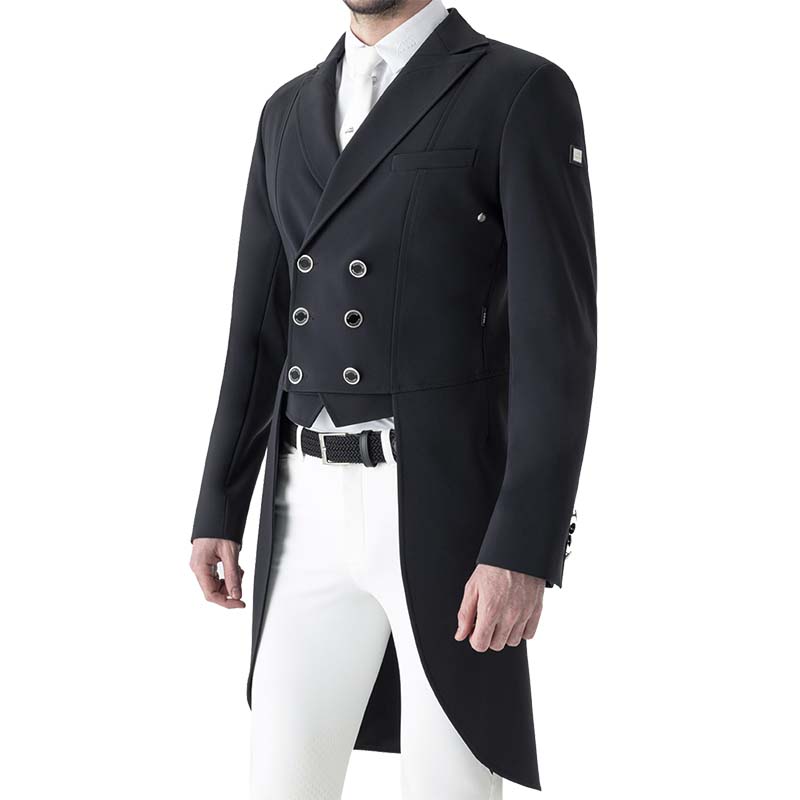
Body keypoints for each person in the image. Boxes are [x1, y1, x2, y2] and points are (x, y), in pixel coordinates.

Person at [189, 1, 596, 797]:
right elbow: (257, 327)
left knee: (450, 784)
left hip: (445, 504)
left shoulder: (518, 90)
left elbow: (558, 342)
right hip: (301, 509)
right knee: (280, 783)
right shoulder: (286, 111)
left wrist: (525, 544)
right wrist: (219, 504)